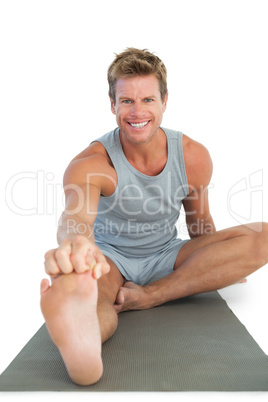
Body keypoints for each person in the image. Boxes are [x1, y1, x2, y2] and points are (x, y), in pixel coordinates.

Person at [40, 48, 268, 386]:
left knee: (263, 235)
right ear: (112, 104)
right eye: (127, 101)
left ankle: (152, 294)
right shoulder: (91, 162)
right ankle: (82, 344)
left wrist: (221, 264)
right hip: (110, 259)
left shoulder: (192, 155)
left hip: (165, 254)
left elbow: (199, 225)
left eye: (147, 99)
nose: (137, 111)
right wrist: (75, 247)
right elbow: (76, 220)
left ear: (164, 101)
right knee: (91, 296)